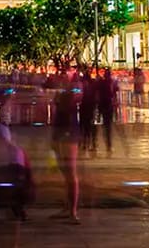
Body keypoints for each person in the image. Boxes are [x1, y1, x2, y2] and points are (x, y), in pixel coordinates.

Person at [50, 70, 81, 224]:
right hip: (60, 132)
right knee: (64, 172)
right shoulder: (61, 91)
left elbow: (73, 102)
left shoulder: (72, 91)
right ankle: (68, 207)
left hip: (69, 133)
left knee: (70, 172)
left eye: (64, 75)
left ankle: (73, 211)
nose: (61, 77)